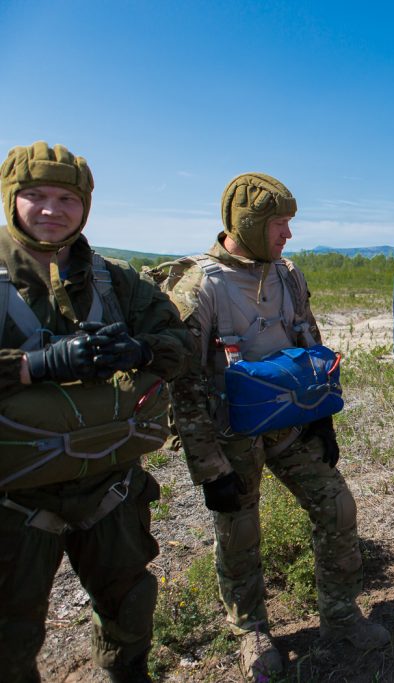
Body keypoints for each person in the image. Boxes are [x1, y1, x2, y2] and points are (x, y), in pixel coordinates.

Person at [167, 173, 389, 681]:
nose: (288, 234)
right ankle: (251, 631)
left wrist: (323, 420)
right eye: (278, 224)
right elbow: (183, 385)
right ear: (247, 224)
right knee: (239, 533)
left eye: (289, 223)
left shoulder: (287, 275)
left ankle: (340, 615)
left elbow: (312, 346)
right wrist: (208, 468)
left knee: (337, 506)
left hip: (292, 424)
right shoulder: (201, 286)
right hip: (232, 436)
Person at [0, 141, 189, 682]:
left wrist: (140, 350)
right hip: (14, 498)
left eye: (67, 199)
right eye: (36, 196)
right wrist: (34, 365)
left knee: (129, 605)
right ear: (11, 199)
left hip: (110, 486)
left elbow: (181, 341)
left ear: (85, 206)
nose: (52, 210)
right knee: (9, 637)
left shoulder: (115, 279)